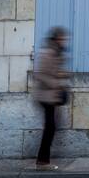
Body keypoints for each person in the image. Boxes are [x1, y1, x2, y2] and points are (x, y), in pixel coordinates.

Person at [33, 26, 71, 169]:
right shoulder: (47, 53)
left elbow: (54, 71)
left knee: (52, 127)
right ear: (55, 39)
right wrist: (55, 82)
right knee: (50, 127)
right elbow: (39, 74)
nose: (64, 41)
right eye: (62, 39)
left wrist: (63, 74)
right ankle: (42, 161)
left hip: (51, 96)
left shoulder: (57, 53)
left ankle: (43, 160)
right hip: (45, 96)